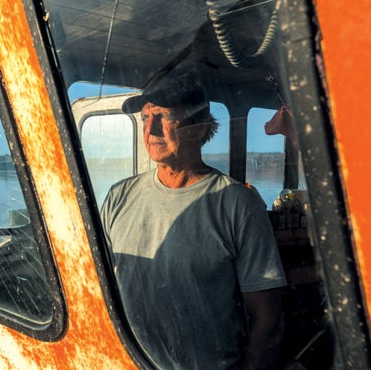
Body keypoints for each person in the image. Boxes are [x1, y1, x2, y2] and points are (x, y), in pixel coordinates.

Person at [100, 70, 287, 369]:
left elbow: (267, 320)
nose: (151, 129)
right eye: (145, 117)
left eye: (163, 116)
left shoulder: (237, 203)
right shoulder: (119, 197)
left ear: (199, 128)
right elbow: (100, 289)